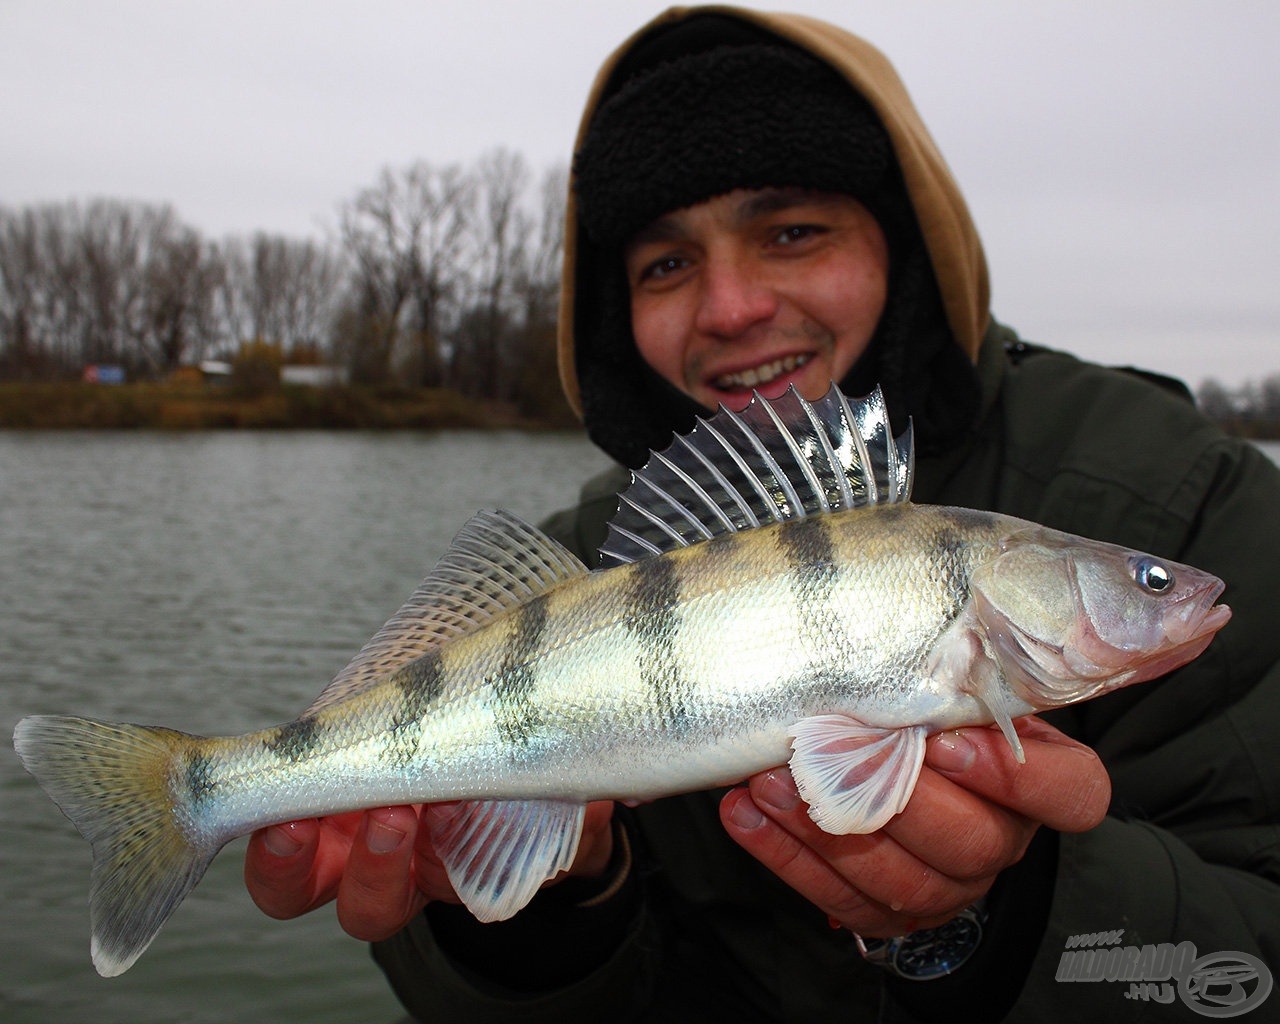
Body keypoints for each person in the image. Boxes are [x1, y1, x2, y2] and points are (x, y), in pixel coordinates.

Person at [244, 7, 1280, 1021]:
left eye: (789, 230)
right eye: (664, 263)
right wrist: (541, 913)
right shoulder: (583, 556)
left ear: (905, 244)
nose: (730, 306)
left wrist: (1016, 909)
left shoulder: (1186, 491)